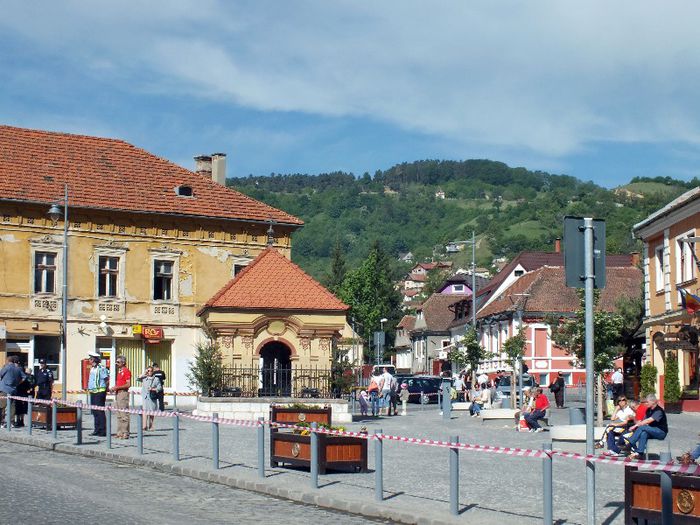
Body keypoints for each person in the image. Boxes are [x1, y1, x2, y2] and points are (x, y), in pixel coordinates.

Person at [627, 394, 668, 460]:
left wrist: (635, 426)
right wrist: (635, 424)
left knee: (643, 428)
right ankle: (640, 453)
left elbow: (648, 420)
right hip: (652, 430)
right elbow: (643, 421)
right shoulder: (648, 410)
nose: (646, 403)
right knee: (644, 432)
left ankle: (630, 443)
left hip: (661, 432)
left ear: (653, 402)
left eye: (647, 402)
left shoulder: (659, 411)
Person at [87, 352, 109, 437]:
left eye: (91, 359)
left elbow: (106, 380)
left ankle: (102, 430)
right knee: (94, 411)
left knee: (100, 411)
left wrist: (105, 390)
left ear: (95, 359)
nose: (89, 360)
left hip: (100, 392)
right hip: (93, 392)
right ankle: (96, 429)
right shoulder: (92, 368)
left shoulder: (101, 368)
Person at [109, 355, 131, 439]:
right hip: (118, 393)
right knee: (118, 414)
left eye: (118, 362)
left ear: (123, 362)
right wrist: (114, 388)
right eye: (116, 362)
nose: (116, 363)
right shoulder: (119, 371)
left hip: (123, 393)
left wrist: (117, 387)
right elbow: (120, 383)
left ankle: (126, 432)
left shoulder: (126, 371)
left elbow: (128, 384)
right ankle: (119, 432)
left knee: (124, 413)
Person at [0, 356, 26, 428]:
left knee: (2, 406)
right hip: (14, 389)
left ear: (7, 361)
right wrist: (18, 383)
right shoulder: (18, 369)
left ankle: (2, 422)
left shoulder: (7, 367)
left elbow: (1, 374)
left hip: (5, 389)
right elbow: (24, 377)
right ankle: (11, 422)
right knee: (12, 406)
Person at [140, 366, 162, 431]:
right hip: (145, 397)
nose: (149, 372)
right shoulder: (144, 378)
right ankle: (144, 426)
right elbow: (137, 379)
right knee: (145, 411)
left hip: (152, 397)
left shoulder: (156, 379)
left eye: (150, 371)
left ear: (153, 371)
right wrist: (144, 373)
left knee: (152, 412)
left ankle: (151, 425)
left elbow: (160, 387)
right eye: (148, 370)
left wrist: (153, 389)